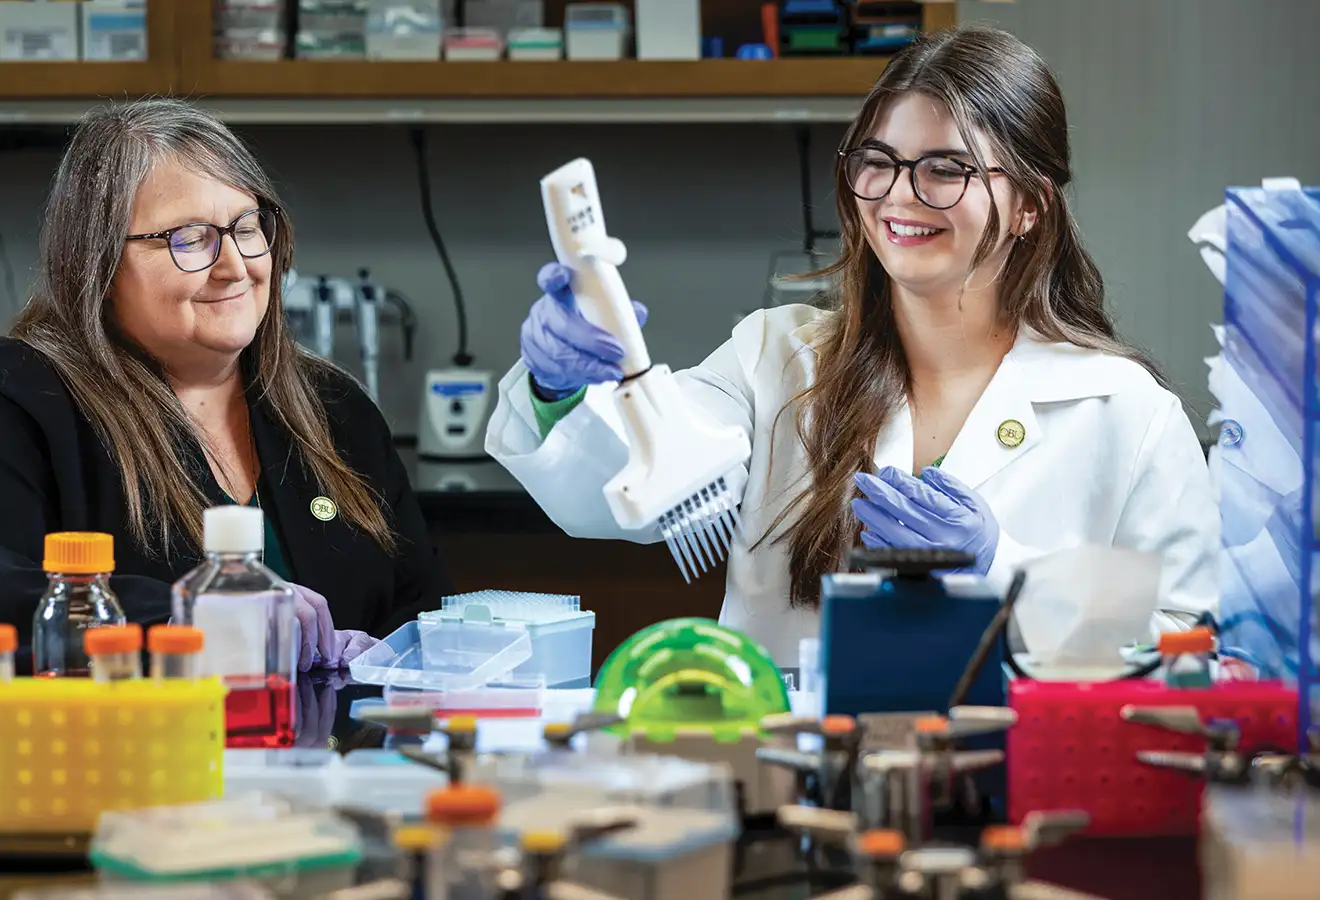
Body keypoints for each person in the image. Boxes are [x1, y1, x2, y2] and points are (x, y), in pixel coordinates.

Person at [486, 25, 1218, 668]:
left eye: (946, 168)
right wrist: (559, 390)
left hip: (1011, 792)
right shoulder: (773, 358)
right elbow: (636, 493)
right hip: (786, 781)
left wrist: (1005, 571)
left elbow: (1189, 650)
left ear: (1030, 203)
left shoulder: (1127, 413)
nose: (900, 195)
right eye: (879, 160)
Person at [0, 99, 451, 669]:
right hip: (118, 755)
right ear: (96, 263)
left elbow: (421, 616)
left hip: (336, 762)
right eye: (189, 237)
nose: (234, 266)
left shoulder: (333, 409)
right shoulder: (15, 406)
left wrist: (390, 665)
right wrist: (183, 617)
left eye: (247, 227)